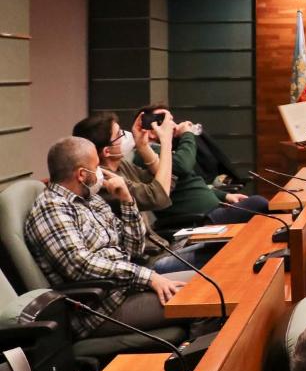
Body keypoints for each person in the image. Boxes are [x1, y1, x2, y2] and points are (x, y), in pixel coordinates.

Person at [23, 137, 189, 339]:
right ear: (82, 174)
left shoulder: (90, 200)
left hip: (128, 288)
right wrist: (148, 277)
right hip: (102, 309)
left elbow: (134, 249)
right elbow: (80, 265)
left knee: (207, 287)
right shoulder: (51, 208)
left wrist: (127, 199)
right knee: (203, 300)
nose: (101, 172)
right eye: (96, 166)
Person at [72, 111, 219, 269]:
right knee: (215, 257)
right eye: (120, 134)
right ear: (107, 151)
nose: (126, 135)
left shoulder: (122, 166)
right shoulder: (104, 181)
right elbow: (158, 197)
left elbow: (167, 182)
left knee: (219, 245)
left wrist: (143, 146)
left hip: (162, 248)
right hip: (145, 261)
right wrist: (166, 142)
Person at [140, 105, 270, 227]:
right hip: (196, 220)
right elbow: (183, 166)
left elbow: (192, 185)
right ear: (150, 131)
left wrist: (225, 196)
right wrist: (187, 134)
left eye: (171, 120)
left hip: (212, 211)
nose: (173, 125)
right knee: (258, 203)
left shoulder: (165, 150)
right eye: (166, 121)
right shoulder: (147, 154)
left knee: (264, 211)